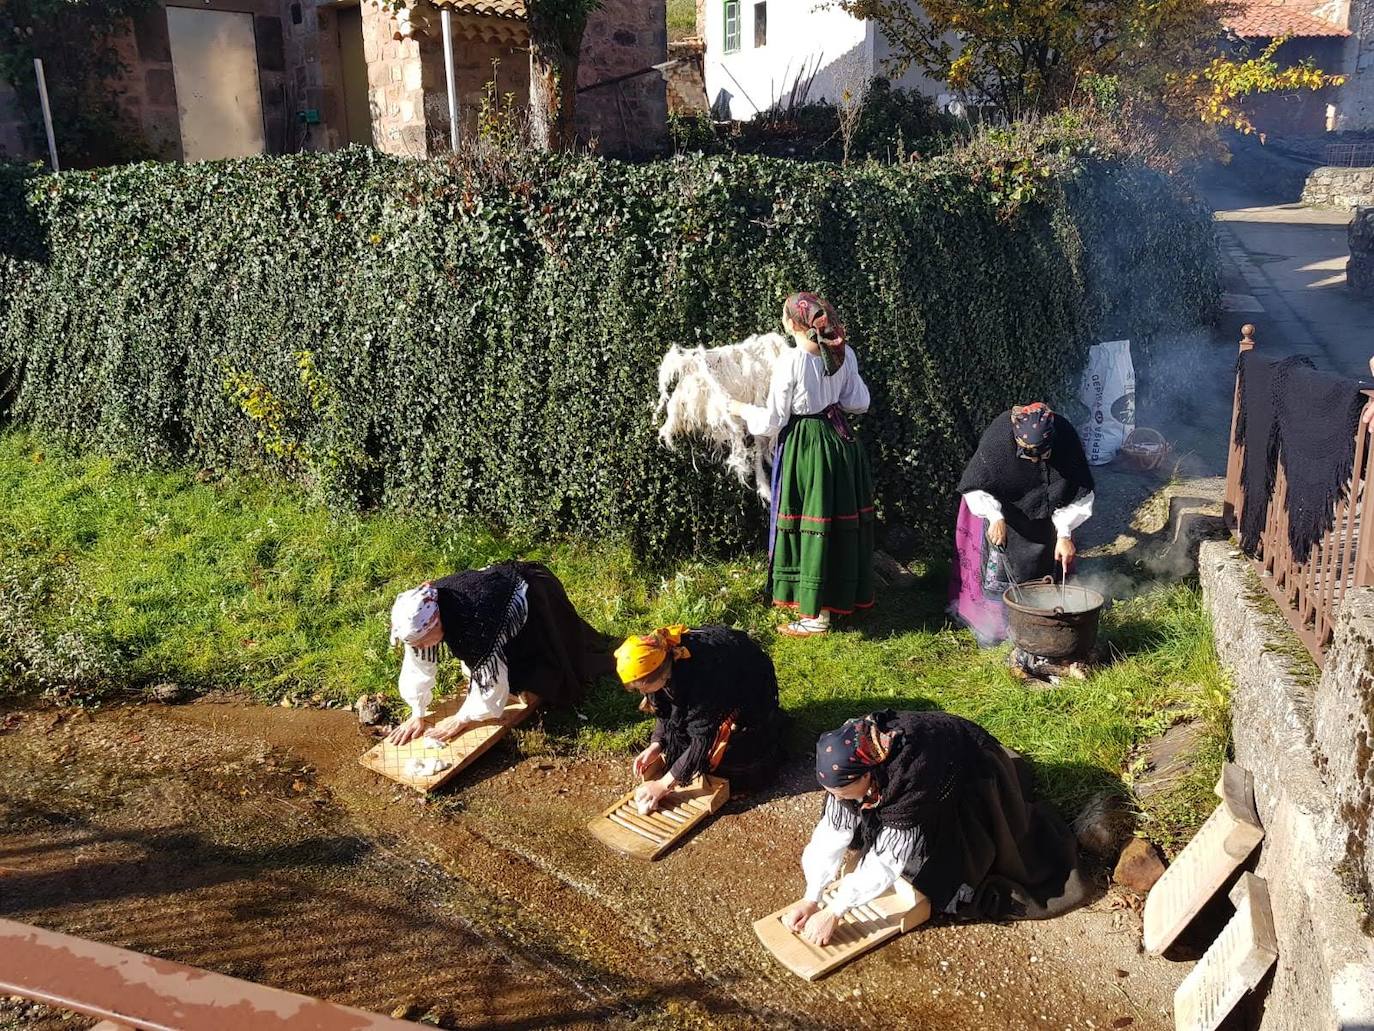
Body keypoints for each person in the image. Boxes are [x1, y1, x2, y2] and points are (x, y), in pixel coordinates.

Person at [782, 710, 1090, 945]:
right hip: (906, 775)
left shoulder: (911, 777)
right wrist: (812, 898)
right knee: (860, 820)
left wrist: (835, 912)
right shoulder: (850, 763)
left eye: (843, 791)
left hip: (971, 770)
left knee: (934, 867)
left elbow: (888, 860)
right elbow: (832, 833)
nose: (836, 799)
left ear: (869, 775)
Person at [729, 292, 875, 637]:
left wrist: (740, 409)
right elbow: (860, 402)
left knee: (814, 521)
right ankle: (842, 598)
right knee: (838, 520)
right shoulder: (844, 353)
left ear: (793, 323)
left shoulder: (791, 361)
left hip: (807, 446)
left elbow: (773, 421)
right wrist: (831, 399)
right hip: (841, 442)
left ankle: (815, 616)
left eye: (784, 315)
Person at [386, 561, 613, 745]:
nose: (421, 647)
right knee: (485, 664)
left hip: (533, 595)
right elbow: (417, 664)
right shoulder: (419, 620)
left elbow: (491, 681)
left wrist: (461, 718)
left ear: (436, 623)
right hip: (494, 604)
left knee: (545, 672)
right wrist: (417, 713)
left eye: (423, 642)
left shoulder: (473, 623)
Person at [949, 402, 1095, 646]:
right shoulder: (999, 436)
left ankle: (1041, 622)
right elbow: (975, 485)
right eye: (1027, 453)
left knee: (1043, 565)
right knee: (999, 571)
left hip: (1047, 515)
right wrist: (995, 517)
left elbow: (1079, 491)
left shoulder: (1065, 436)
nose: (1034, 460)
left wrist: (1065, 534)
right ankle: (993, 629)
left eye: (1042, 454)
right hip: (1003, 512)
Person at [614, 624, 784, 813]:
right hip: (715, 677)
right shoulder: (662, 665)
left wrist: (663, 785)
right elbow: (665, 711)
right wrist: (657, 744)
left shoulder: (703, 680)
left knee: (735, 749)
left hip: (747, 678)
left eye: (642, 688)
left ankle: (747, 778)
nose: (641, 693)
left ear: (662, 675)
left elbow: (701, 740)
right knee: (689, 747)